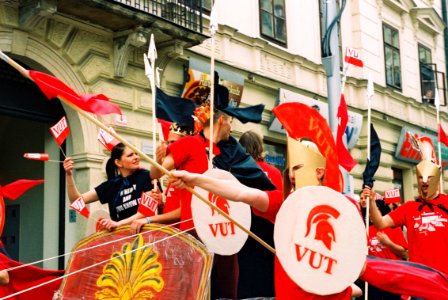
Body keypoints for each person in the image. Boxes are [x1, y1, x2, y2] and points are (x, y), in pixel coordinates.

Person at [170, 137, 362, 299]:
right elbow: (242, 193)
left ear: (319, 171)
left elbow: (357, 263)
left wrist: (344, 285)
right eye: (290, 169)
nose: (291, 175)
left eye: (297, 168)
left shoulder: (346, 209)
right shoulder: (285, 203)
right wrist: (194, 179)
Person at [366, 136, 448, 276]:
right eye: (421, 177)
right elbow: (380, 224)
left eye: (428, 178)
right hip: (419, 277)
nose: (424, 181)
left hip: (444, 279)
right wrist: (372, 202)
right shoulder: (409, 208)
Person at [237, 130, 283, 298]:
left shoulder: (237, 171)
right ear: (259, 147)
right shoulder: (275, 172)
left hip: (245, 228)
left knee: (245, 274)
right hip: (269, 228)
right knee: (267, 273)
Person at [63, 142, 155, 226]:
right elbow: (76, 200)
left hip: (146, 236)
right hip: (121, 239)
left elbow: (147, 212)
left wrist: (118, 224)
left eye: (136, 153)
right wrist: (69, 174)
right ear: (118, 162)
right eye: (130, 155)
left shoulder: (146, 176)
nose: (137, 157)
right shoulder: (112, 184)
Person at [357, 192, 408, 300]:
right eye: (369, 212)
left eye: (374, 211)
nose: (371, 214)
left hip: (391, 278)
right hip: (372, 279)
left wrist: (388, 243)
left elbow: (404, 253)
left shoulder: (393, 228)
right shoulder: (365, 230)